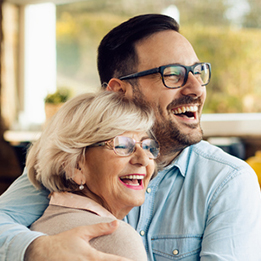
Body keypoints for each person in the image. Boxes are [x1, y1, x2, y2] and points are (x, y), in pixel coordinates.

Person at [0, 13, 261, 261]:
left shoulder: (227, 181)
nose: (196, 88)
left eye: (197, 71)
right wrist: (40, 249)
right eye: (172, 74)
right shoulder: (73, 162)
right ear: (118, 92)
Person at [26, 91, 159, 261]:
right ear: (75, 166)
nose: (143, 159)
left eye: (147, 146)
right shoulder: (116, 238)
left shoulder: (35, 227)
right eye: (123, 145)